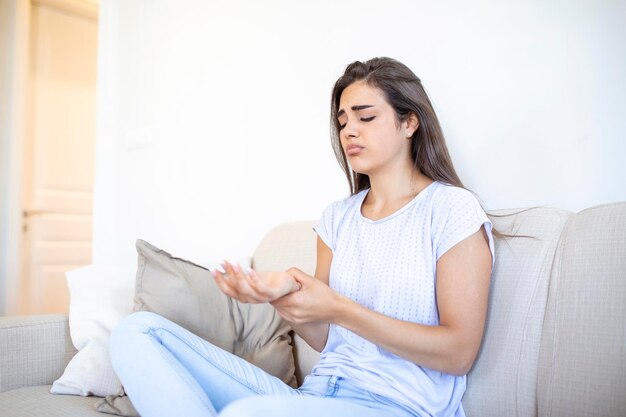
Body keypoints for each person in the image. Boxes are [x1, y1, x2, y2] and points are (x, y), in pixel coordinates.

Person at [110, 57, 495, 417]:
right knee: (138, 331)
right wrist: (278, 296)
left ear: (409, 123)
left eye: (366, 117)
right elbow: (323, 337)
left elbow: (458, 352)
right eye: (343, 122)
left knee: (245, 413)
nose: (350, 131)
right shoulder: (337, 218)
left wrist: (341, 309)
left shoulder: (451, 210)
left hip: (397, 405)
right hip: (316, 396)